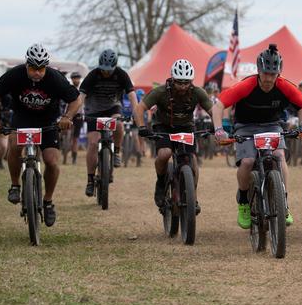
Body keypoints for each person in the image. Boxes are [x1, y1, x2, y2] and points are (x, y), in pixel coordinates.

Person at [212, 44, 302, 229]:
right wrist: (219, 129)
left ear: (279, 73)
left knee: (279, 156)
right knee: (247, 161)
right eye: (265, 73)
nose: (269, 78)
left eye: (273, 74)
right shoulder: (247, 85)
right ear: (259, 71)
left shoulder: (284, 86)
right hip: (245, 127)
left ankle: (283, 201)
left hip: (272, 126)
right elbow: (218, 106)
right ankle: (244, 202)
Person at [0, 43, 81, 227]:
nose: (37, 72)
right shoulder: (15, 74)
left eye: (41, 68)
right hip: (23, 118)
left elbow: (76, 99)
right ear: (27, 65)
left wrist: (67, 117)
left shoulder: (54, 77)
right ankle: (15, 185)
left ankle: (48, 201)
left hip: (48, 121)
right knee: (14, 146)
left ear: (46, 66)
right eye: (33, 68)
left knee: (52, 161)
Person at [134, 59, 213, 209]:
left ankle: (192, 197)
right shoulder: (160, 92)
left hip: (186, 127)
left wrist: (218, 126)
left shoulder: (198, 92)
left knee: (192, 160)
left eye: (186, 82)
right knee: (164, 154)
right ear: (172, 79)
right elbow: (139, 109)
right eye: (179, 82)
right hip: (163, 126)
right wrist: (142, 127)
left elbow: (213, 111)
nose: (183, 86)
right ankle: (161, 181)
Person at [79, 49, 138, 197]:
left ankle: (117, 151)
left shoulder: (122, 74)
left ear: (115, 66)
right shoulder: (92, 75)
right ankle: (90, 180)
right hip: (93, 111)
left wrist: (136, 112)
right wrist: (78, 112)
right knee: (93, 143)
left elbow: (132, 95)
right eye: (103, 70)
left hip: (112, 107)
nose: (105, 73)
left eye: (109, 70)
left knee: (118, 124)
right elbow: (81, 96)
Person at [62, 71, 84, 165]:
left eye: (78, 78)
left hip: (79, 115)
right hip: (68, 114)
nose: (76, 80)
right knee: (65, 133)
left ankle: (74, 158)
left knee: (75, 138)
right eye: (74, 78)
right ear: (71, 79)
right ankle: (64, 148)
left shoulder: (83, 90)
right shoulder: (68, 89)